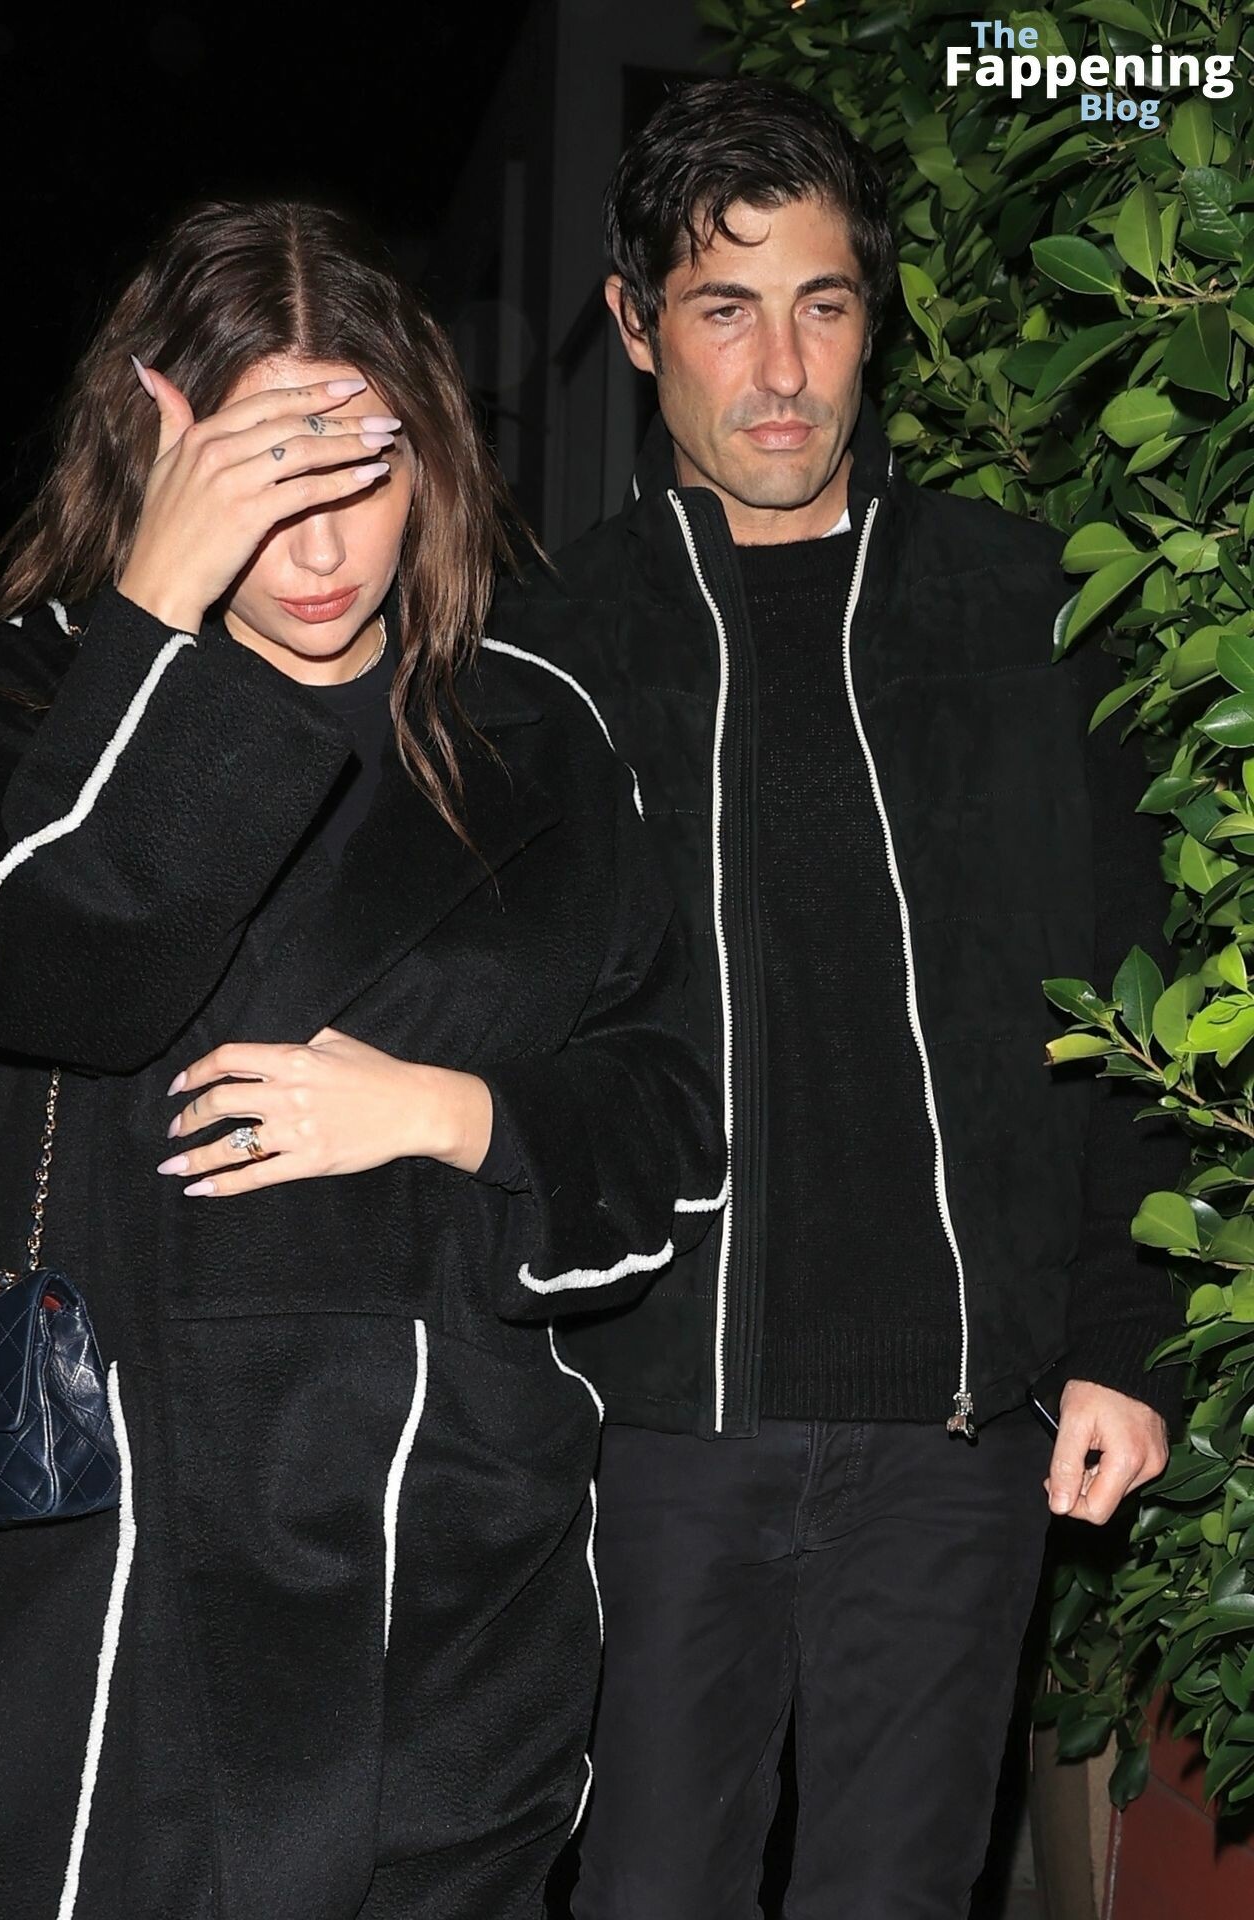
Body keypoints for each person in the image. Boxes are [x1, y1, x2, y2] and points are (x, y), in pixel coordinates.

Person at [0, 196, 723, 1920]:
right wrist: (155, 603)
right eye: (257, 486)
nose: (316, 548)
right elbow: (43, 979)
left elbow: (669, 1119)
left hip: (456, 1550)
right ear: (160, 470)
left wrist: (446, 1111)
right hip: (119, 1554)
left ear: (432, 458)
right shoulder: (29, 687)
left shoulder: (535, 726)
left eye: (357, 475)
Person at [492, 77, 1182, 1920]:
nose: (782, 370)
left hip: (957, 1431)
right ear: (639, 325)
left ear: (875, 321)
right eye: (724, 309)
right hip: (650, 1423)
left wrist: (1124, 1337)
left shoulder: (1029, 615)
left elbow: (1130, 998)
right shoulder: (547, 654)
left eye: (823, 304)